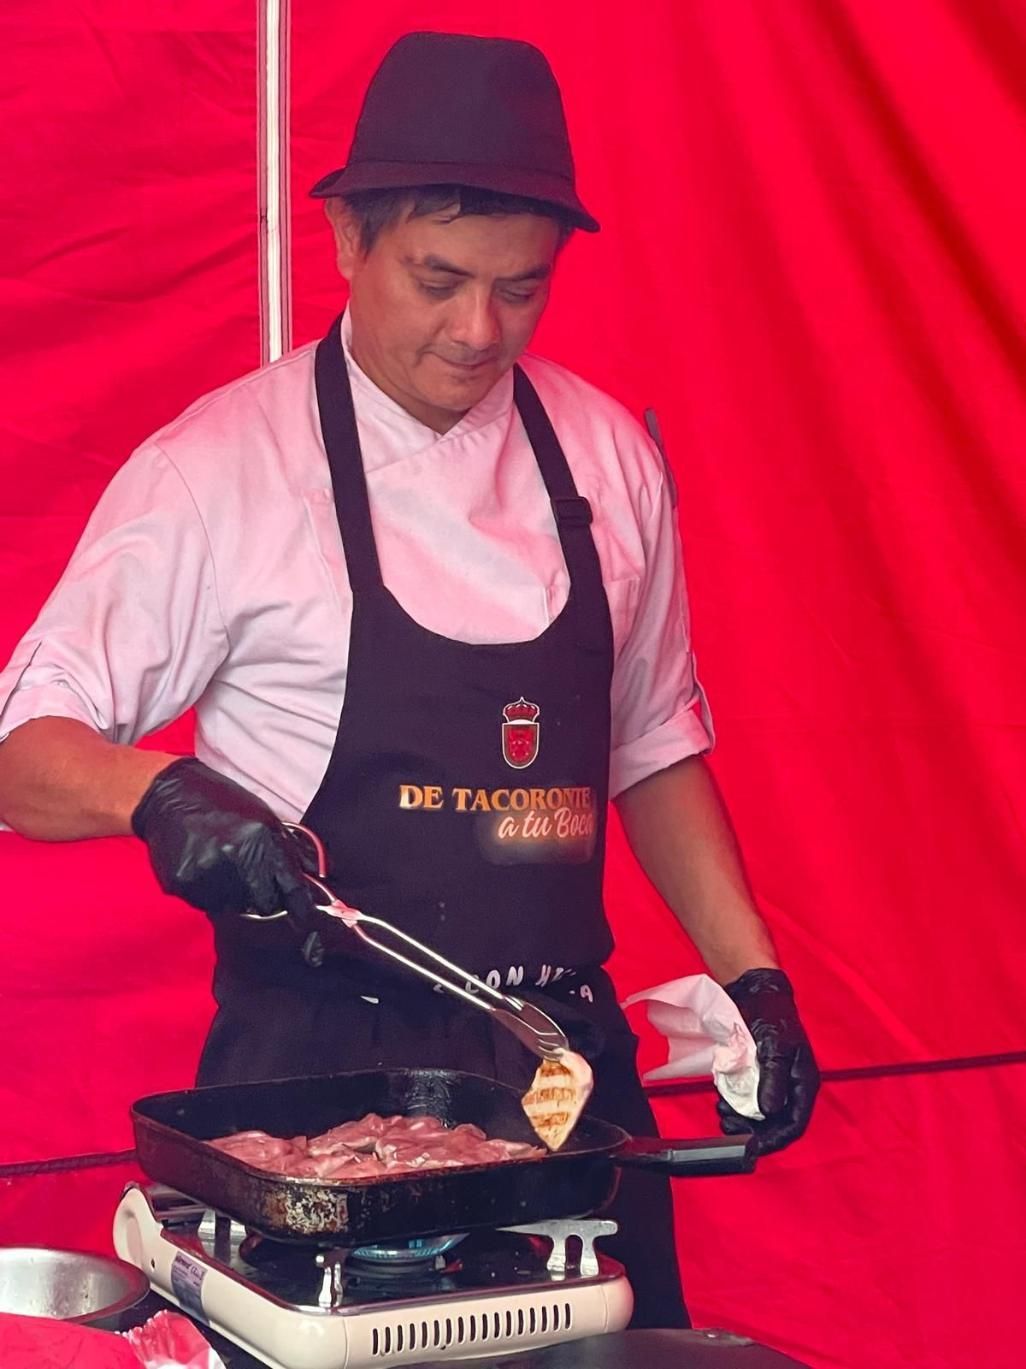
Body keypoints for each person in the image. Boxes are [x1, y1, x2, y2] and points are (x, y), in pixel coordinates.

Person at [0, 32, 818, 1327]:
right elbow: (20, 754)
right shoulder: (220, 471)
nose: (477, 329)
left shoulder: (605, 460)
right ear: (345, 238)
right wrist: (157, 794)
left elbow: (651, 744)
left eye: (520, 290)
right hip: (310, 1090)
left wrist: (752, 980)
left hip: (559, 1078)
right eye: (440, 279)